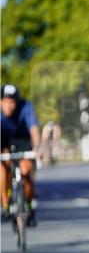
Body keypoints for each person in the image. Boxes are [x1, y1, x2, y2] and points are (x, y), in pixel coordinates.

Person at [1, 84, 40, 224]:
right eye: (5, 101)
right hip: (4, 141)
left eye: (12, 101)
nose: (9, 105)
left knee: (26, 170)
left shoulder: (26, 107)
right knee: (3, 170)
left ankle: (29, 205)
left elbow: (34, 129)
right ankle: (5, 205)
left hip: (23, 140)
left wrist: (37, 148)